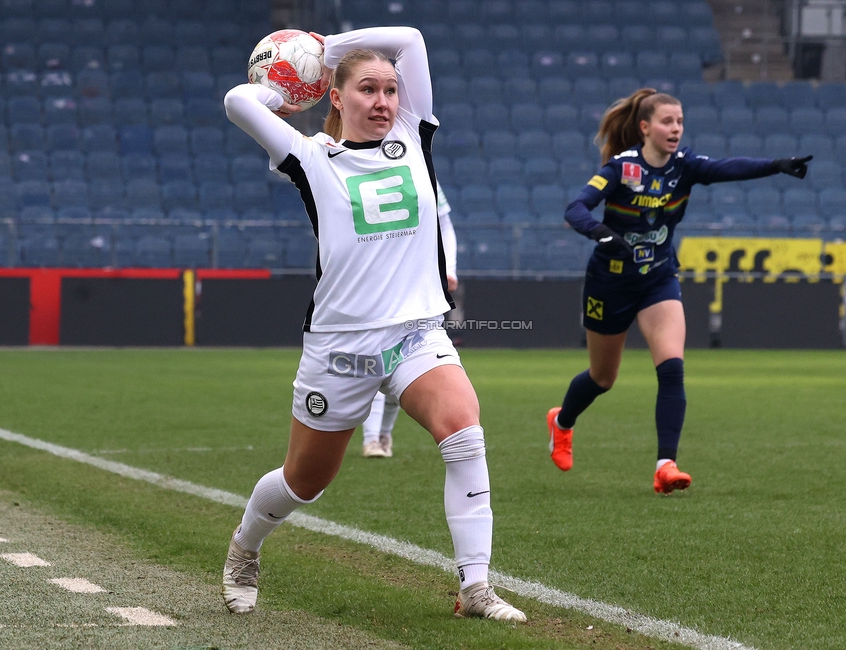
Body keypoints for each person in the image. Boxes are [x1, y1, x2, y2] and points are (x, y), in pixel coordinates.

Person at [221, 26, 525, 622]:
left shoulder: (414, 134)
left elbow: (409, 38)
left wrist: (325, 43)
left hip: (416, 332)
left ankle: (477, 587)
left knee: (464, 433)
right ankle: (245, 548)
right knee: (304, 482)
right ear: (337, 97)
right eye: (367, 89)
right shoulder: (310, 156)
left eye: (391, 89)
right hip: (341, 346)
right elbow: (238, 101)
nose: (384, 100)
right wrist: (296, 76)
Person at [546, 88, 811, 493]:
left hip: (658, 276)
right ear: (645, 127)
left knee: (671, 368)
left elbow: (728, 168)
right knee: (602, 378)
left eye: (680, 122)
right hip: (611, 281)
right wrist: (601, 233)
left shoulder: (685, 166)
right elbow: (575, 209)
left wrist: (777, 165)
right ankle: (562, 422)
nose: (676, 129)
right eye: (668, 122)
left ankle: (665, 465)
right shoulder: (621, 168)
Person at [361, 184, 459, 458]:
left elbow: (445, 223)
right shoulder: (353, 167)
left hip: (417, 285)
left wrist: (448, 267)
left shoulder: (420, 170)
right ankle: (371, 439)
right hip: (374, 286)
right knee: (376, 359)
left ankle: (382, 435)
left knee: (403, 358)